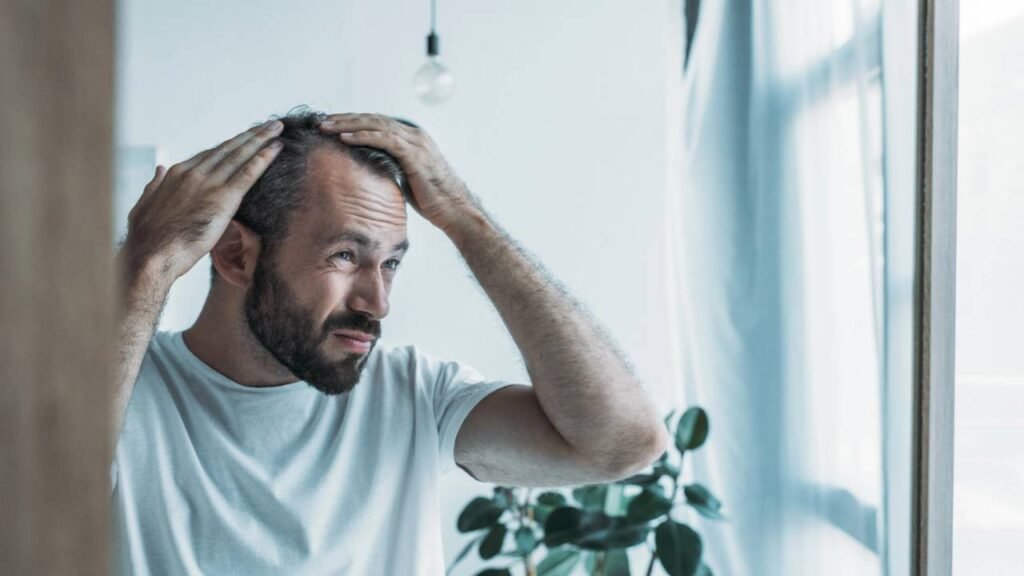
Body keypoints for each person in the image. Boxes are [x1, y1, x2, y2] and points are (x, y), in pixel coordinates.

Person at [111, 109, 668, 575]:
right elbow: (31, 509)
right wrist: (147, 264)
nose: (377, 304)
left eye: (392, 263)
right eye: (346, 256)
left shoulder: (415, 395)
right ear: (236, 256)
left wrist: (465, 220)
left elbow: (621, 444)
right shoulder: (121, 387)